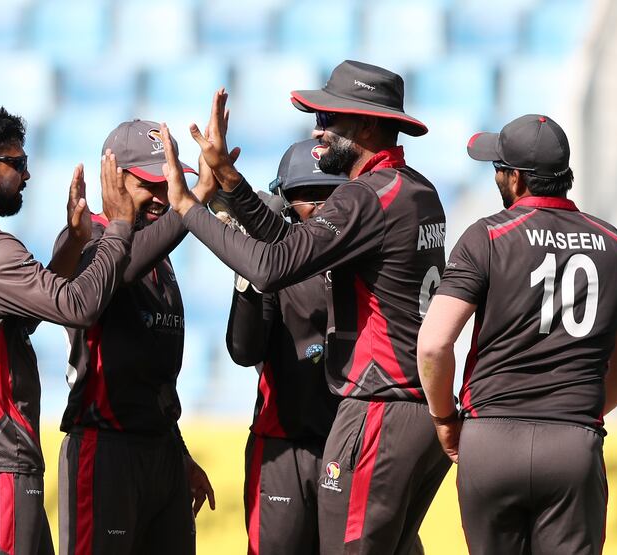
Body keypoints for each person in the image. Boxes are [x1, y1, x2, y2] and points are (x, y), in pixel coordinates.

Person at [164, 60, 451, 555]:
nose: (317, 132)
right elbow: (297, 249)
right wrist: (231, 182)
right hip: (419, 411)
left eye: (328, 119)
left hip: (377, 408)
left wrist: (191, 209)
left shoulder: (366, 197)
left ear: (364, 124)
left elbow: (274, 266)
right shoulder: (417, 191)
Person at [417, 114, 617, 554]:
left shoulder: (486, 236)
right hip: (572, 443)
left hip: (491, 441)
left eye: (498, 169)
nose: (496, 178)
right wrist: (579, 412)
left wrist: (445, 419)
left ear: (516, 179)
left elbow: (433, 344)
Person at [0, 105, 135, 555]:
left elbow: (22, 317)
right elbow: (78, 306)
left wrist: (74, 243)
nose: (28, 175)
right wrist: (119, 229)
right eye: (17, 163)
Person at [52, 119, 229, 555]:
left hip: (161, 453)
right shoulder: (85, 237)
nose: (160, 197)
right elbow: (120, 269)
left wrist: (179, 452)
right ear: (113, 178)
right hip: (105, 450)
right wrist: (196, 202)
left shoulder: (160, 256)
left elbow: (152, 377)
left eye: (166, 183)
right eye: (148, 183)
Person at [223, 139, 346, 555]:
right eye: (307, 195)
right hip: (284, 447)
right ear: (285, 203)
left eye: (332, 193)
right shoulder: (277, 262)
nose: (321, 205)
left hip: (350, 446)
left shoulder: (367, 257)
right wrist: (251, 273)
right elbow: (243, 349)